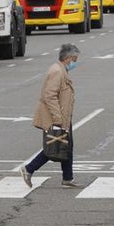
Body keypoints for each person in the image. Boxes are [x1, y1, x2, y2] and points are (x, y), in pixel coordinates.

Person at [19, 43, 82, 189]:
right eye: (74, 59)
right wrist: (57, 118)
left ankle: (67, 178)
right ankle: (29, 169)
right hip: (56, 117)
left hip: (63, 116)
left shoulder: (61, 70)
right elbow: (50, 96)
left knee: (66, 146)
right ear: (67, 58)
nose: (75, 62)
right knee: (54, 147)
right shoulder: (57, 71)